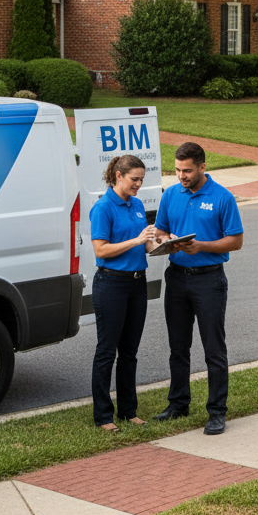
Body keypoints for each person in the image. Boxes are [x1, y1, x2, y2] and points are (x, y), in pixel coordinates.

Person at [153, 141, 244, 435]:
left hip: (209, 280)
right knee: (178, 348)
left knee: (213, 349)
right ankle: (178, 404)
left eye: (187, 170)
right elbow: (160, 229)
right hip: (176, 277)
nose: (182, 175)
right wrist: (165, 240)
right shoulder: (171, 194)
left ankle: (217, 412)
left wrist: (201, 245)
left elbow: (236, 240)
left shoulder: (222, 198)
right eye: (178, 170)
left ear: (202, 167)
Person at [88, 154, 157, 432]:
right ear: (118, 176)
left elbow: (146, 245)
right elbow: (101, 250)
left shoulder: (137, 204)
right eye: (134, 179)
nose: (139, 184)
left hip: (137, 283)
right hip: (111, 284)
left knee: (130, 351)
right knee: (107, 351)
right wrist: (136, 240)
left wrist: (162, 244)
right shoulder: (103, 207)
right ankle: (103, 415)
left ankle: (129, 410)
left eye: (141, 180)